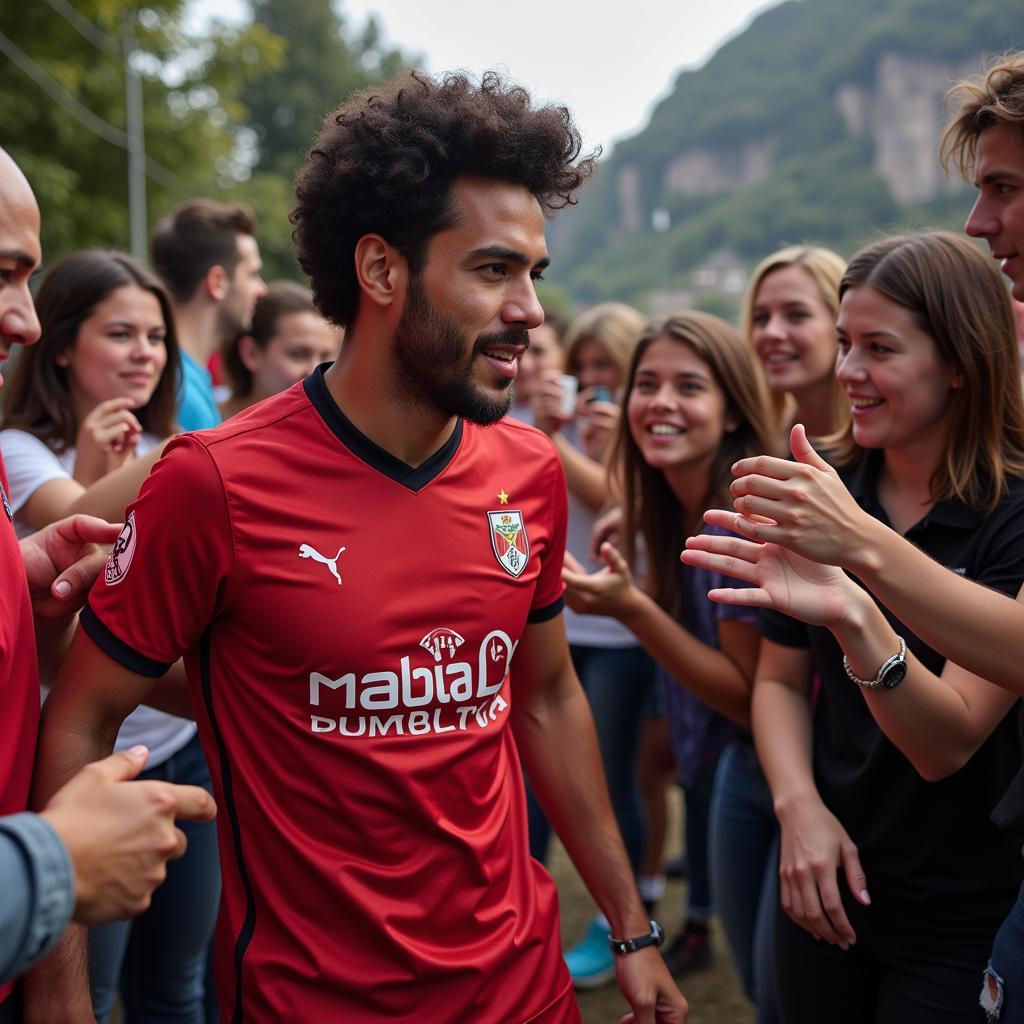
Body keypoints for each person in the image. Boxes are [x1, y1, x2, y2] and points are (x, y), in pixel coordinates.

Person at [27, 72, 688, 1024]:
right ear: (382, 271)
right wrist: (60, 999)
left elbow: (542, 695)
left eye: (534, 274)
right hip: (310, 1002)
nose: (531, 311)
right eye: (495, 270)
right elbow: (80, 719)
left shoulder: (530, 472)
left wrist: (630, 927)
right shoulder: (214, 483)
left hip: (525, 990)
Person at [685, 231, 1024, 1023]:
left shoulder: (1011, 510)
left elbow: (947, 742)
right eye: (844, 344)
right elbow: (774, 678)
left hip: (961, 906)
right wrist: (798, 808)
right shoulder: (822, 483)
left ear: (961, 365)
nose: (846, 374)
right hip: (827, 878)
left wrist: (857, 604)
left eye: (879, 348)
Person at [0, 146, 215, 1014]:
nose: (21, 321)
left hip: (142, 762)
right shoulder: (19, 450)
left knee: (180, 985)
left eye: (156, 336)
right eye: (2, 277)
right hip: (66, 803)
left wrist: (19, 569)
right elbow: (78, 505)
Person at [561, 311, 778, 1008]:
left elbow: (748, 697)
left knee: (773, 988)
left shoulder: (736, 519)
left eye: (689, 386)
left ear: (733, 410)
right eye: (646, 384)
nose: (659, 403)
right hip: (734, 766)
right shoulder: (670, 501)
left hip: (772, 773)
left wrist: (632, 610)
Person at [526, 302, 660, 989]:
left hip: (618, 631)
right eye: (583, 366)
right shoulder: (553, 428)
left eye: (608, 365)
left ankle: (625, 931)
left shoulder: (639, 430)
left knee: (609, 784)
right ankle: (521, 920)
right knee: (529, 782)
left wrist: (559, 442)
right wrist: (550, 431)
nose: (594, 379)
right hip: (557, 622)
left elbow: (615, 495)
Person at [150, 199, 268, 431]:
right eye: (253, 274)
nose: (262, 289)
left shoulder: (179, 376)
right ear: (217, 282)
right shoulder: (178, 390)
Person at [742, 245, 847, 440]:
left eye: (796, 315)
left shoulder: (887, 446)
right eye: (761, 318)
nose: (771, 332)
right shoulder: (757, 446)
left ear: (842, 323)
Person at [219, 281, 342, 420]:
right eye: (297, 355)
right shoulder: (200, 424)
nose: (315, 370)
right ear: (251, 354)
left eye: (326, 357)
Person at [507, 305, 567, 425]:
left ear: (564, 353)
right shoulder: (486, 415)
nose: (524, 364)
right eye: (517, 351)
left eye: (537, 351)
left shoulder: (584, 419)